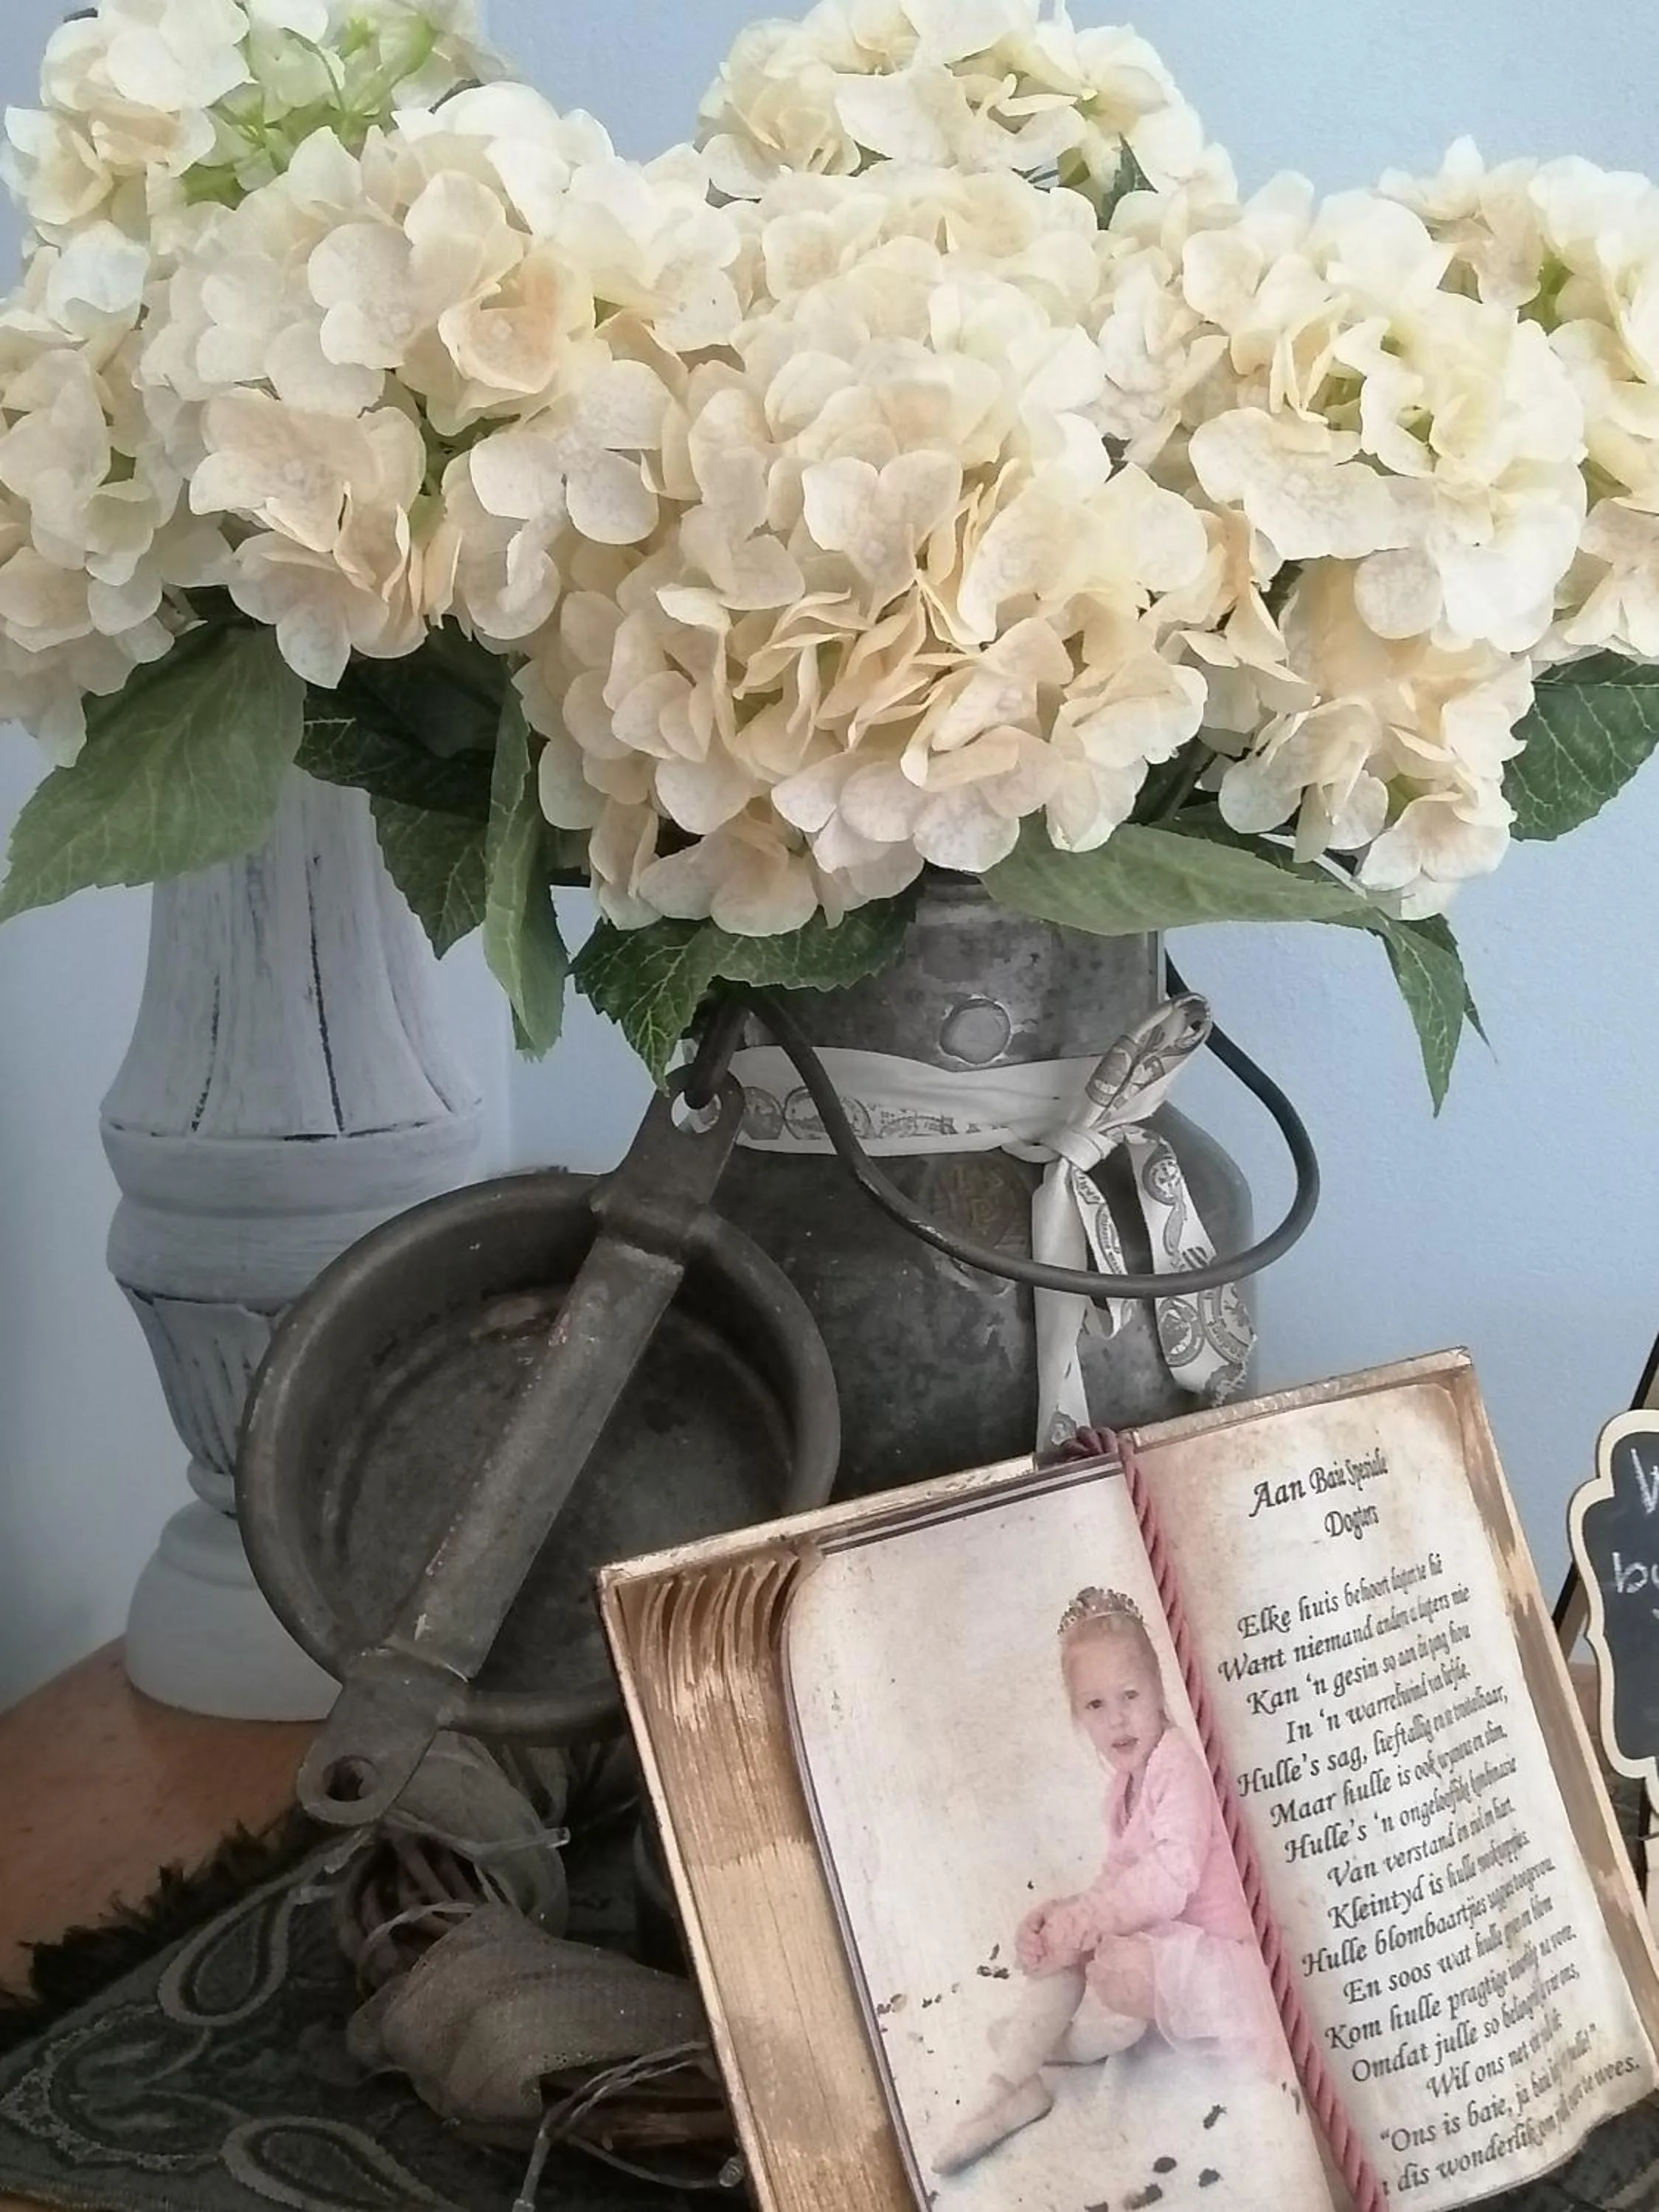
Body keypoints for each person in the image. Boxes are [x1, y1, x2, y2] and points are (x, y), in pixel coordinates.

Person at [932, 1587, 1282, 2178]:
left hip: (1230, 1964)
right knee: (1077, 1944)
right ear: (1077, 1716)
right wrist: (1065, 1915)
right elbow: (1118, 1878)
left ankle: (1043, 2048)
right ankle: (1008, 2090)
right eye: (1095, 1706)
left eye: (1130, 1696)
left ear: (1158, 1690)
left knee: (1124, 1972)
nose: (1117, 1718)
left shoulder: (1178, 1768)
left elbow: (1171, 1880)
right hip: (1171, 1940)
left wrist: (1090, 1921)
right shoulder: (1121, 1788)